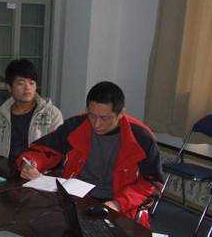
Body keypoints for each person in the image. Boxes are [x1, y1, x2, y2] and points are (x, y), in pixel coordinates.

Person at [18, 81, 163, 227]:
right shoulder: (76, 125)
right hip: (76, 199)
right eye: (92, 116)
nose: (96, 124)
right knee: (34, 223)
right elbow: (43, 150)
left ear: (120, 114)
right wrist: (31, 163)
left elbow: (151, 184)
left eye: (104, 118)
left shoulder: (141, 137)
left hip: (119, 205)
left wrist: (118, 204)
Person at [0, 59, 63, 160]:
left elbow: (57, 151)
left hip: (38, 168)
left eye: (31, 83)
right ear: (9, 87)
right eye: (21, 83)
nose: (27, 88)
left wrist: (36, 164)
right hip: (4, 168)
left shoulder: (52, 114)